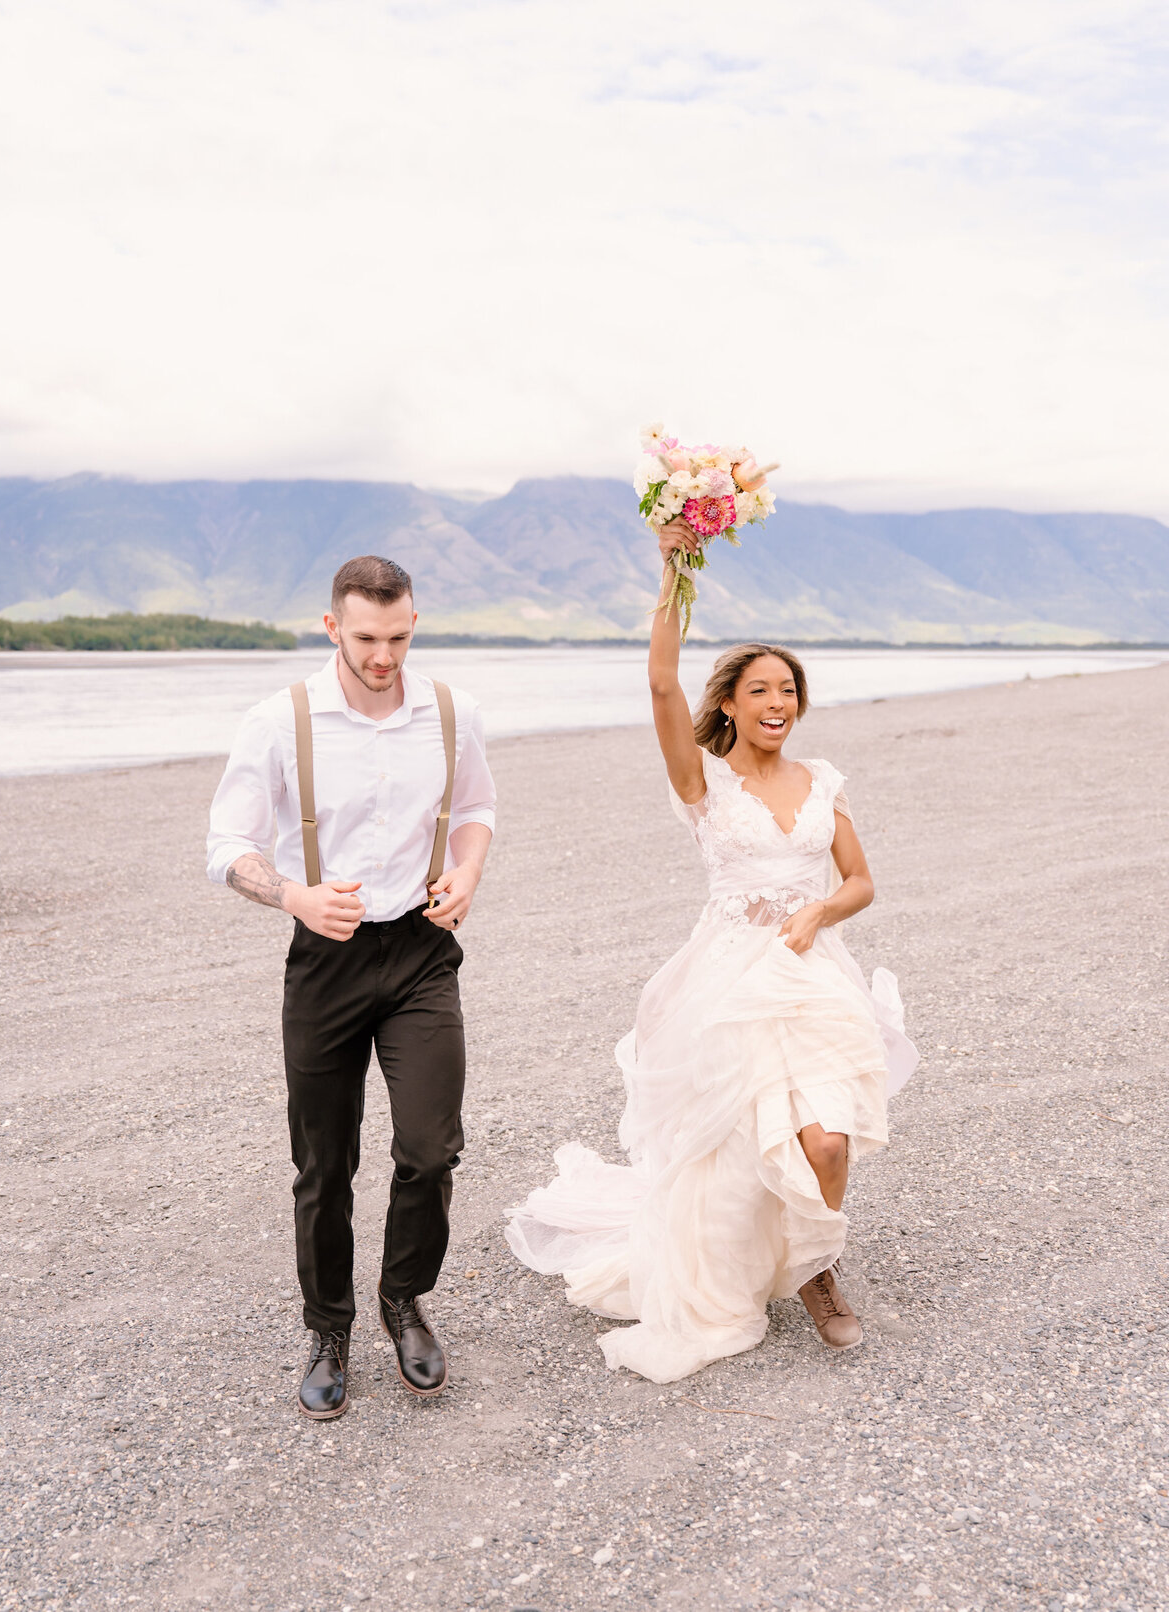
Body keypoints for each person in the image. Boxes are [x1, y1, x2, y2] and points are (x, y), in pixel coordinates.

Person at [505, 517, 918, 1382]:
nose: (778, 705)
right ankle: (776, 1268)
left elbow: (860, 881)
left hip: (811, 978)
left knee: (829, 1143)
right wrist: (673, 573)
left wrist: (815, 917)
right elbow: (661, 684)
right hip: (727, 978)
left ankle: (815, 1265)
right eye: (761, 690)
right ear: (730, 701)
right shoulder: (705, 784)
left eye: (789, 691)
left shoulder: (822, 783)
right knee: (735, 1156)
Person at [206, 555, 496, 1417]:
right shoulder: (278, 720)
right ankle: (328, 1326)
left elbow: (476, 810)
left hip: (420, 951)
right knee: (324, 1162)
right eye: (367, 637)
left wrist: (468, 872)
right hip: (324, 958)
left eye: (400, 636)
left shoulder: (451, 713)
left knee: (431, 1145)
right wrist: (292, 893)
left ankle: (403, 1300)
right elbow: (225, 844)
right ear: (333, 626)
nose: (385, 655)